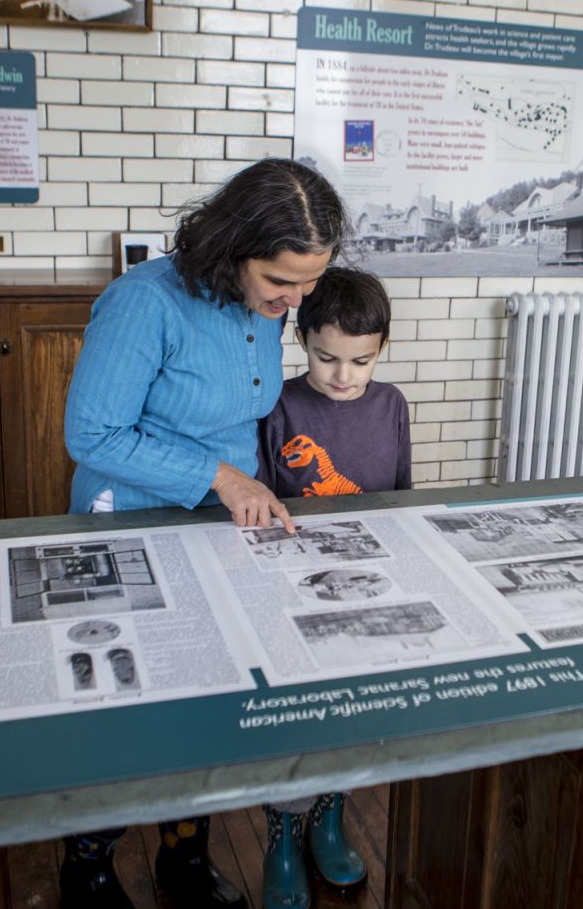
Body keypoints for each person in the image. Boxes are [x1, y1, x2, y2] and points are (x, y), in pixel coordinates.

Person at [60, 157, 346, 909]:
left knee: (207, 692)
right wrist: (219, 476)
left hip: (218, 527)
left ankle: (183, 855)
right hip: (129, 522)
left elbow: (239, 416)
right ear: (232, 247)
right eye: (281, 281)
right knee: (125, 706)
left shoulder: (268, 303)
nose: (294, 300)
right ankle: (88, 866)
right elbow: (91, 433)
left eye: (309, 282)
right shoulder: (143, 302)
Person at [253, 267, 410, 908]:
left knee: (353, 708)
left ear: (382, 349)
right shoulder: (279, 407)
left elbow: (400, 503)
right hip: (290, 588)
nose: (343, 375)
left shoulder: (392, 406)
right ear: (302, 339)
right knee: (295, 717)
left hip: (365, 590)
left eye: (361, 361)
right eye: (326, 358)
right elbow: (258, 511)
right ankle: (283, 834)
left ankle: (330, 815)